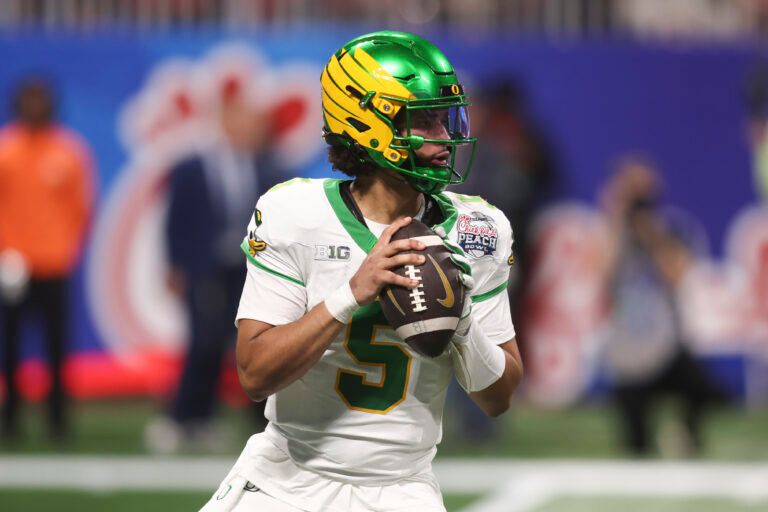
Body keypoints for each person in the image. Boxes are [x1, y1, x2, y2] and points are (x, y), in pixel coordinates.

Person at [199, 31, 524, 512]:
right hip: (285, 480)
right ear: (369, 124)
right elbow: (253, 373)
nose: (445, 139)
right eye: (424, 121)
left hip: (403, 489)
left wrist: (463, 324)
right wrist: (350, 295)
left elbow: (499, 398)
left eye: (446, 118)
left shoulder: (479, 228)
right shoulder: (294, 212)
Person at [144, 78, 269, 453]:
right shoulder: (194, 165)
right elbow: (175, 219)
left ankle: (248, 422)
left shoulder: (263, 165)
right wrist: (175, 265)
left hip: (246, 269)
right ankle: (182, 416)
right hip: (205, 267)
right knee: (203, 342)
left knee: (251, 343)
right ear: (225, 121)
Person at [600, 156, 725, 457]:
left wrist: (650, 232)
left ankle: (685, 435)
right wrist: (617, 215)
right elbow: (600, 275)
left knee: (704, 391)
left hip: (665, 348)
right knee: (636, 449)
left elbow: (677, 274)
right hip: (627, 357)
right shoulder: (613, 237)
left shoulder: (667, 230)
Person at [0, 77, 95, 442]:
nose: (35, 107)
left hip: (54, 265)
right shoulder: (6, 148)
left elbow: (80, 207)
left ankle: (57, 422)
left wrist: (66, 248)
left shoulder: (68, 151)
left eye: (40, 100)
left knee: (57, 349)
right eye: (29, 100)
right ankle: (10, 422)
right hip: (13, 266)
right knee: (10, 348)